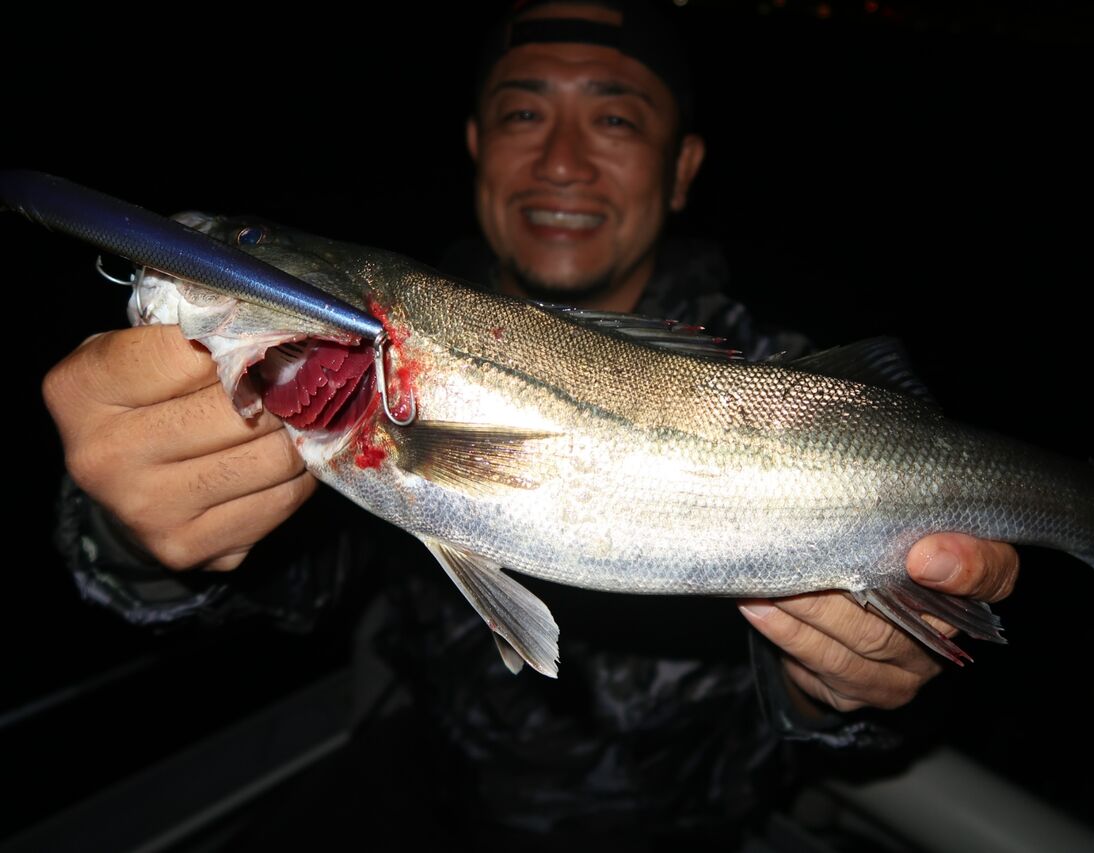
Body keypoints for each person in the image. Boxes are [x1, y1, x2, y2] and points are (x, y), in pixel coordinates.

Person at [43, 0, 1020, 846]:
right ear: (476, 146)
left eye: (615, 117)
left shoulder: (785, 374)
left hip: (687, 831)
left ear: (682, 168)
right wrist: (132, 536)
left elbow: (895, 725)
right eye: (523, 113)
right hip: (442, 805)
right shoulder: (363, 371)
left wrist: (838, 692)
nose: (560, 161)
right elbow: (279, 582)